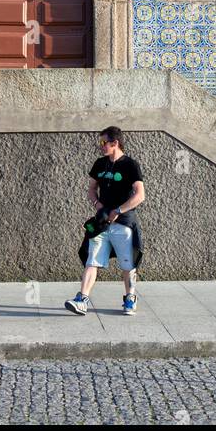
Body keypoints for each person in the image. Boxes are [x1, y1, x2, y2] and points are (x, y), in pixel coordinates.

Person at [65, 126, 145, 317]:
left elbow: (140, 195)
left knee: (127, 265)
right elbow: (91, 189)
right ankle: (82, 299)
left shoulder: (130, 165)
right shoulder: (100, 164)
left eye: (103, 142)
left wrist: (118, 210)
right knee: (92, 262)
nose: (100, 146)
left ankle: (129, 298)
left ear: (114, 143)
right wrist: (98, 205)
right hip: (101, 224)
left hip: (123, 224)